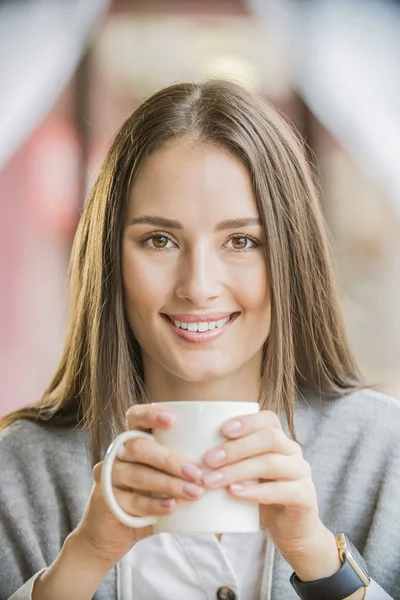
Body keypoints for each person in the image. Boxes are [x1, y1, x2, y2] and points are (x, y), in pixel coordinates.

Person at [0, 79, 399, 600]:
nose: (198, 286)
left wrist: (318, 557)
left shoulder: (382, 452)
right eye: (159, 240)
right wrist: (85, 558)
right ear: (111, 261)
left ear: (291, 258)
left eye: (241, 241)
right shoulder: (23, 470)